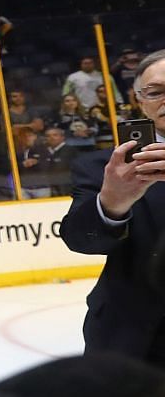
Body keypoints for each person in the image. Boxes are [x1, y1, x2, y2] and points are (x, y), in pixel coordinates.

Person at [60, 48, 165, 363]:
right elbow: (80, 239)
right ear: (140, 101)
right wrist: (112, 203)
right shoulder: (105, 167)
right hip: (137, 341)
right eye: (156, 91)